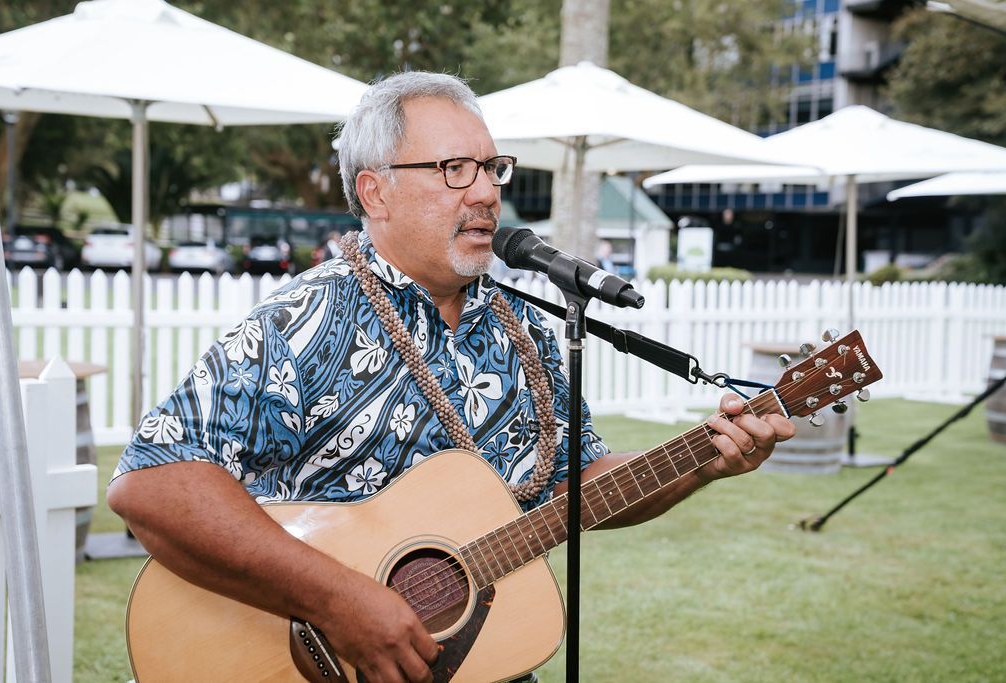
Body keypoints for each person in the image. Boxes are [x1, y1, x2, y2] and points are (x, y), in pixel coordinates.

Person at [108, 71, 795, 683]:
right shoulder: (305, 319)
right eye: (456, 169)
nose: (488, 191)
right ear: (376, 191)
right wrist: (339, 600)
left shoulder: (523, 333)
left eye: (494, 167)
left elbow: (575, 486)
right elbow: (153, 482)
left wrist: (703, 460)